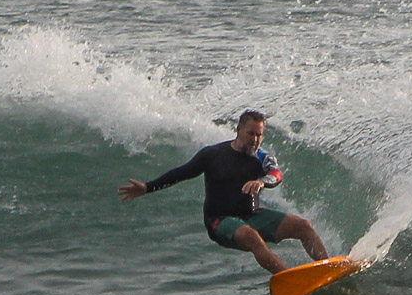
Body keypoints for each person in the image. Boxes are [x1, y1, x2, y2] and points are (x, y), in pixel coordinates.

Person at [117, 110, 329, 274]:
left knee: (304, 226)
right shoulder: (213, 155)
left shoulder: (262, 157)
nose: (255, 140)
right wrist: (148, 187)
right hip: (219, 221)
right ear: (238, 130)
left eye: (259, 135)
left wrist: (261, 182)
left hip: (251, 215)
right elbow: (180, 173)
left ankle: (327, 269)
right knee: (251, 236)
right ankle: (288, 278)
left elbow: (276, 174)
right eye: (251, 134)